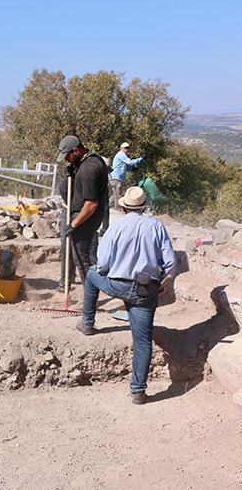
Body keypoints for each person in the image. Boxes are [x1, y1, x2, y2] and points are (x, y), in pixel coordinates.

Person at [77, 186, 176, 405]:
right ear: (144, 207)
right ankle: (138, 392)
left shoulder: (116, 228)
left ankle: (87, 323)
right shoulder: (156, 226)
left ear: (123, 207)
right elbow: (170, 263)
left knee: (92, 274)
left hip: (118, 285)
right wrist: (165, 281)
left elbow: (102, 264)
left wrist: (111, 270)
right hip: (146, 290)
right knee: (142, 342)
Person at [56, 135, 109, 292]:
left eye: (67, 156)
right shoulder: (88, 160)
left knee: (82, 257)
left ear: (76, 150)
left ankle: (91, 297)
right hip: (81, 215)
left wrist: (73, 224)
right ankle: (72, 286)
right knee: (78, 254)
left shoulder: (88, 169)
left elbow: (91, 204)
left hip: (85, 217)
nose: (66, 159)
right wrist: (73, 171)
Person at [110, 142, 144, 210]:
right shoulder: (121, 154)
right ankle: (117, 209)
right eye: (125, 148)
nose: (127, 149)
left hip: (117, 178)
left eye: (128, 148)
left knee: (115, 194)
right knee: (116, 194)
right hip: (116, 177)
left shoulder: (122, 156)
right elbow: (130, 162)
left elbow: (125, 166)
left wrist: (132, 168)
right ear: (121, 148)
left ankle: (106, 206)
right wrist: (141, 158)